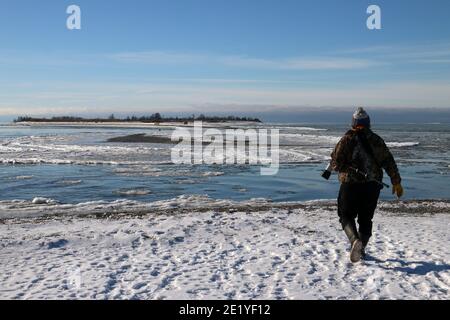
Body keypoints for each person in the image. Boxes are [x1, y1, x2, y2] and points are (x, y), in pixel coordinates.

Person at [330, 107, 404, 263]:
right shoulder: (376, 140)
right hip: (372, 185)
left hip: (350, 185)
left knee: (345, 215)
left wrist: (343, 167)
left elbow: (335, 164)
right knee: (366, 219)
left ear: (353, 122)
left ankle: (354, 241)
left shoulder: (346, 139)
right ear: (368, 123)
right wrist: (396, 181)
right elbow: (389, 162)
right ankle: (361, 249)